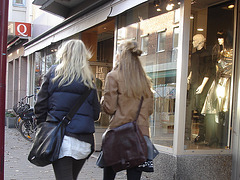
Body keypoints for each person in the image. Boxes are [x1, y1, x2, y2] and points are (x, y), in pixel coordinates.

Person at [34, 39, 100, 180]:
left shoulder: (53, 73)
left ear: (63, 53)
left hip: (60, 138)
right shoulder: (89, 80)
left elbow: (40, 105)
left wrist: (43, 125)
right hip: (83, 141)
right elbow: (95, 114)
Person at [101, 40, 154, 180]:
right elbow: (149, 110)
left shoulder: (113, 76)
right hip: (140, 135)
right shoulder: (145, 81)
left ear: (120, 55)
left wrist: (103, 100)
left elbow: (109, 108)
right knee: (134, 177)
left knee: (109, 175)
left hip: (118, 134)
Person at [186, 34, 212, 143]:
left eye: (194, 40)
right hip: (193, 85)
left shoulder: (207, 54)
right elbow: (193, 68)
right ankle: (187, 133)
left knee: (201, 111)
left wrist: (202, 86)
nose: (192, 42)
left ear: (200, 42)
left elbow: (208, 72)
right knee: (189, 109)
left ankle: (202, 135)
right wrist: (189, 76)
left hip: (201, 86)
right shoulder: (194, 54)